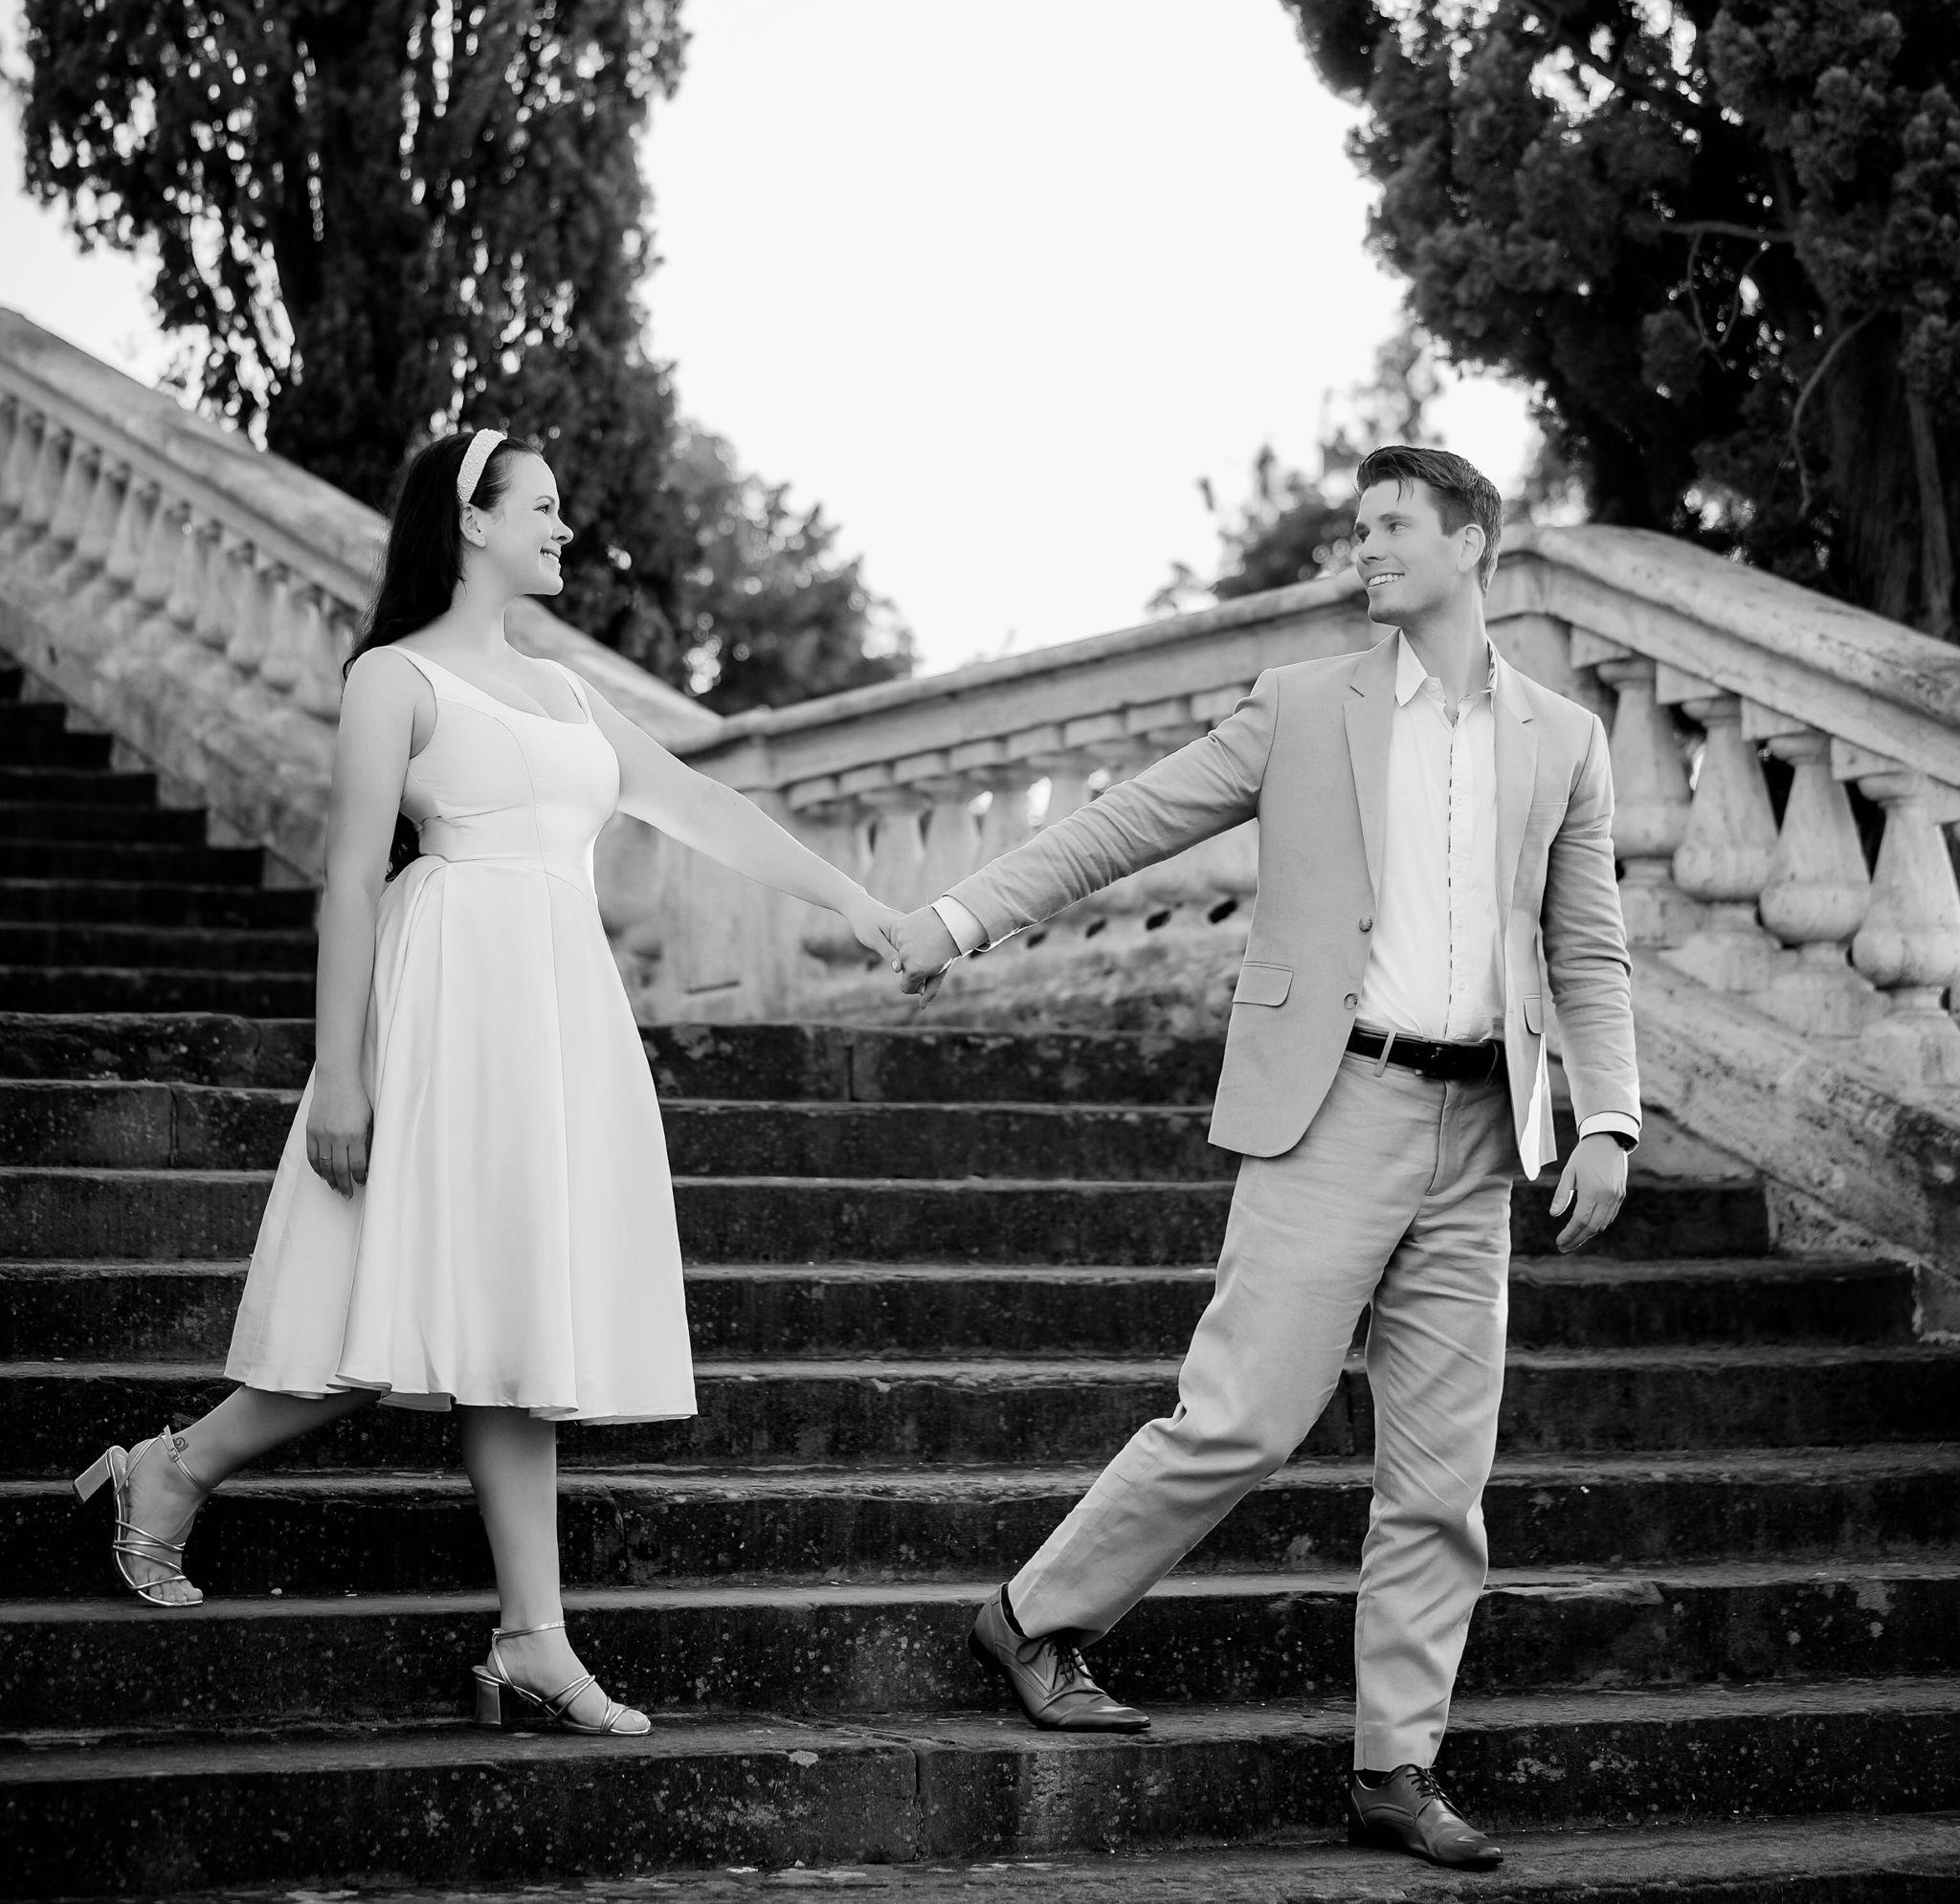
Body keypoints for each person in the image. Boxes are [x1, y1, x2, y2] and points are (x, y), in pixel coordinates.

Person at [74, 429, 901, 1736]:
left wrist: (854, 901)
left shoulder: (568, 693)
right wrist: (338, 1075)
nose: (565, 529)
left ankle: (531, 1635)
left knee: (517, 1321)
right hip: (440, 1006)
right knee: (384, 1296)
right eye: (544, 507)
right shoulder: (393, 678)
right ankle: (174, 1468)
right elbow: (351, 880)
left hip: (554, 1022)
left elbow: (700, 804)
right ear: (471, 519)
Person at [885, 446, 1637, 1870]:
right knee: (1242, 1417)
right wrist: (962, 918)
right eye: (1358, 528)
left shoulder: (1563, 739)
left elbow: (1586, 946)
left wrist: (1607, 1117)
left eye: (1393, 525)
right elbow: (1126, 821)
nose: (1367, 548)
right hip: (1332, 1105)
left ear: (1473, 541)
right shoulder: (1301, 707)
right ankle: (1034, 1616)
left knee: (1442, 1478)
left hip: (1482, 1130)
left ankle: (1395, 1768)